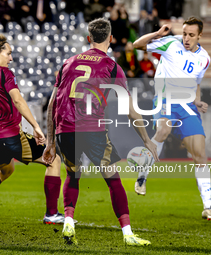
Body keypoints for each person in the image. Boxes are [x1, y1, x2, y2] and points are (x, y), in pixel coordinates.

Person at [42, 18, 159, 246]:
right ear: (111, 38)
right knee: (113, 180)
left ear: (88, 38)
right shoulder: (112, 66)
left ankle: (68, 221)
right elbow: (128, 109)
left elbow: (51, 105)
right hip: (92, 130)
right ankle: (127, 234)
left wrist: (50, 142)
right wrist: (146, 140)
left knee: (73, 174)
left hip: (64, 129)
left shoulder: (68, 62)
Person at [0, 34, 64, 224]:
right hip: (10, 137)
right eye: (8, 54)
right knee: (54, 160)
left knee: (7, 169)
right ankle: (51, 214)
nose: (11, 58)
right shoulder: (4, 73)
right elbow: (18, 100)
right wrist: (36, 126)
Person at [133, 17, 211, 222]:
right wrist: (157, 34)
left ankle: (208, 207)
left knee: (200, 153)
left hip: (187, 105)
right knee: (164, 130)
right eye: (185, 33)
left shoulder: (204, 58)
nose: (186, 38)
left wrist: (197, 101)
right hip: (164, 99)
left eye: (191, 35)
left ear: (199, 36)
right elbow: (137, 45)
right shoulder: (171, 43)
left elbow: (196, 83)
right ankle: (143, 174)